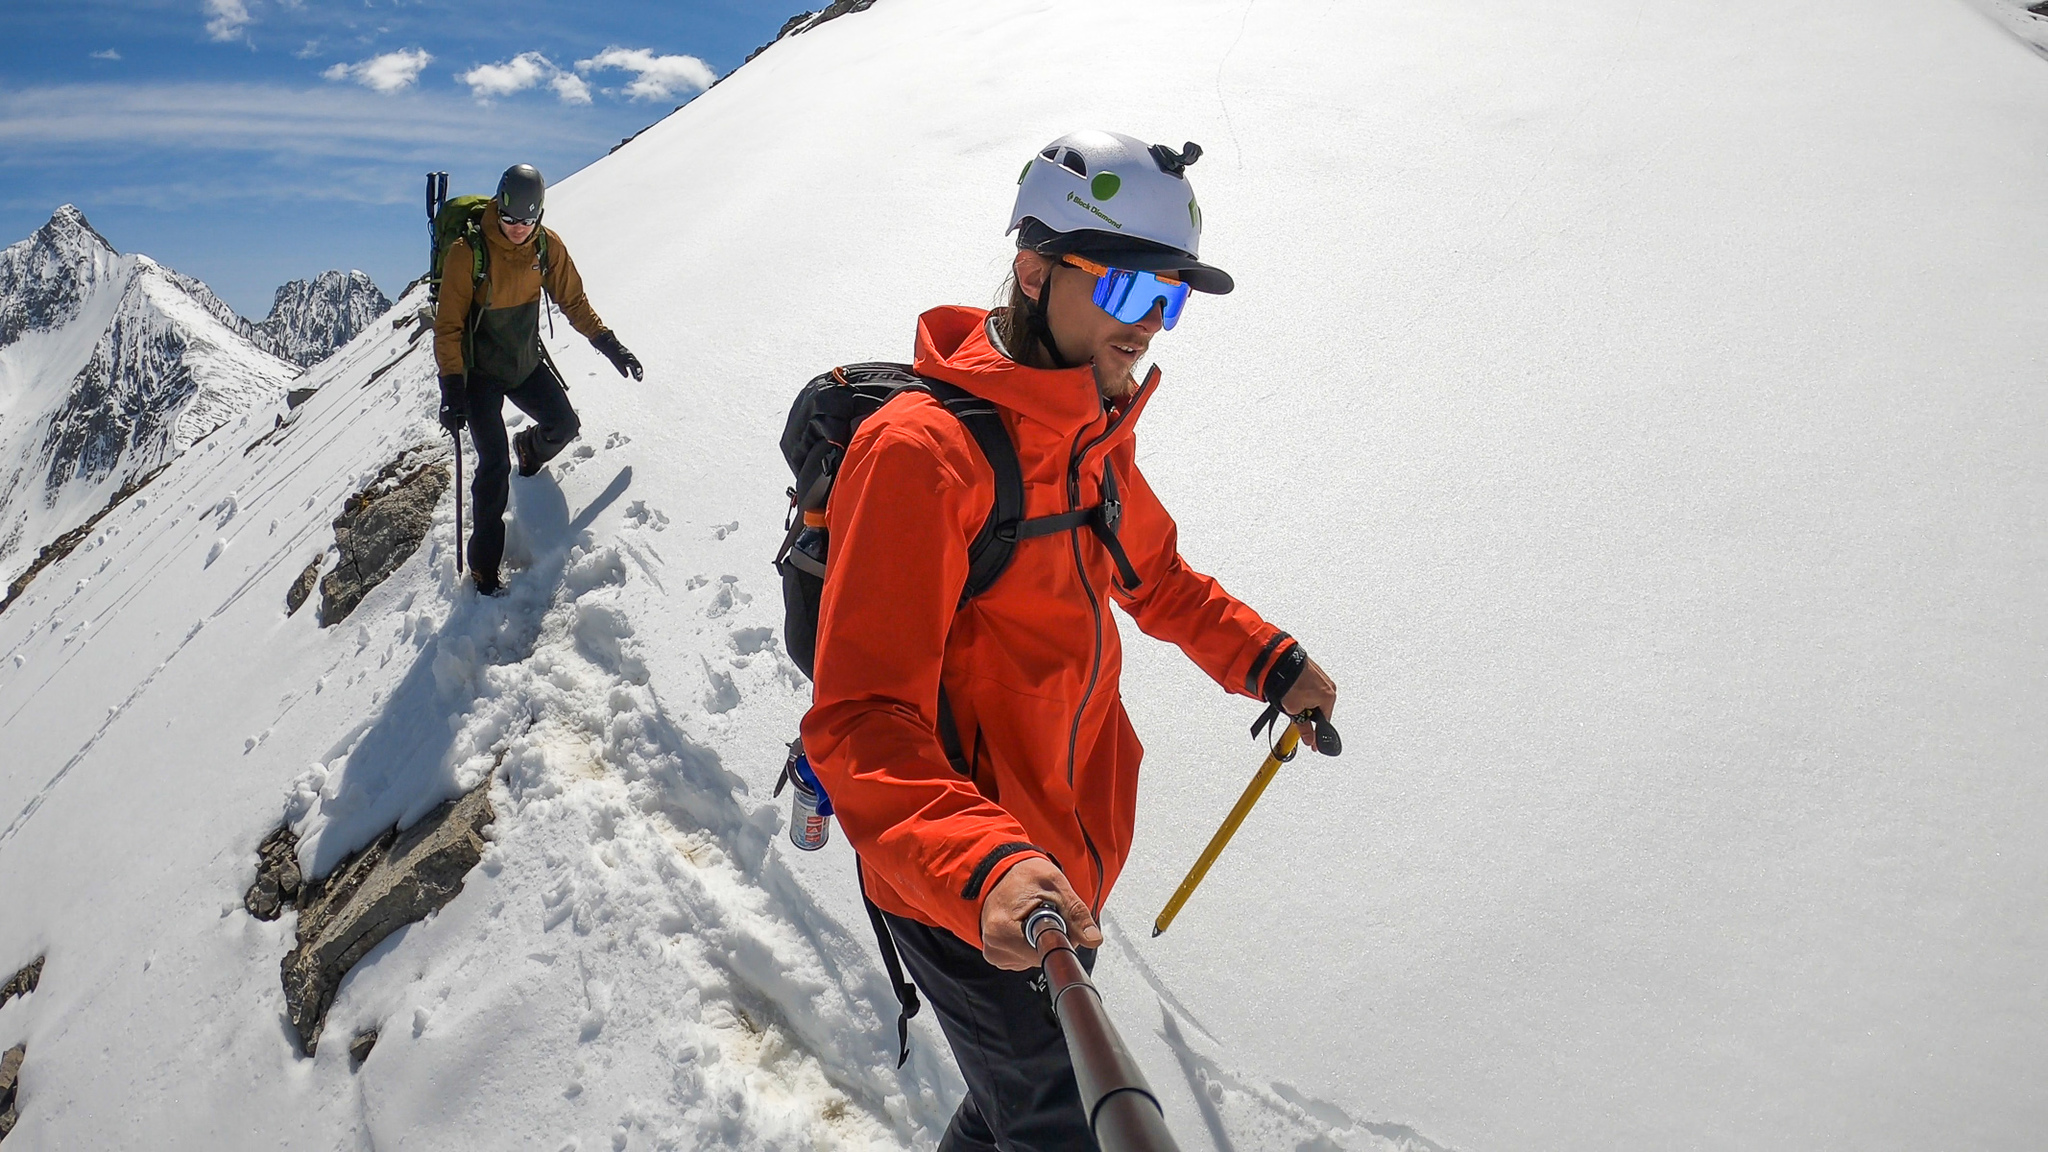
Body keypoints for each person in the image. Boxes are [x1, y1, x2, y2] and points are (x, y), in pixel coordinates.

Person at [801, 130, 1340, 1151]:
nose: (1150, 328)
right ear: (1034, 269)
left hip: (1061, 860)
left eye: (1168, 302)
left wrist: (1268, 661)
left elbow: (1159, 578)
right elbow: (860, 722)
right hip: (961, 877)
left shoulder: (1088, 438)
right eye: (1131, 292)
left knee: (1020, 1103)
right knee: (1061, 1122)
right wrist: (987, 866)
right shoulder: (920, 456)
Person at [434, 163, 643, 595]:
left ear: (540, 216)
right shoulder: (466, 252)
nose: (517, 229)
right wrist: (452, 387)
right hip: (479, 376)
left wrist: (609, 343)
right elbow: (449, 326)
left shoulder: (545, 248)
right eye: (510, 219)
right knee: (492, 468)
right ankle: (484, 570)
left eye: (527, 221)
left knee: (564, 426)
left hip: (524, 362)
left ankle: (529, 450)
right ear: (499, 207)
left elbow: (574, 300)